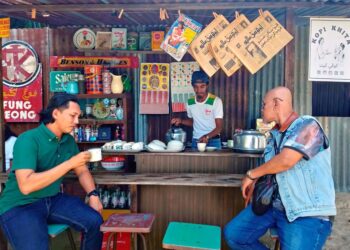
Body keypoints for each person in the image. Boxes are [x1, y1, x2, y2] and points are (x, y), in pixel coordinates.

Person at [224, 86, 336, 249]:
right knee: (234, 235)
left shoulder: (308, 124)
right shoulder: (273, 137)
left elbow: (286, 160)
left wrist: (252, 175)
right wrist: (257, 184)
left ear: (276, 104)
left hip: (305, 212)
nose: (261, 109)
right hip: (275, 206)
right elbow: (272, 170)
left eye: (264, 105)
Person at [0, 93, 103, 250]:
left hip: (52, 199)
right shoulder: (28, 139)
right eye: (72, 116)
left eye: (78, 117)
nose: (77, 122)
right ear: (56, 113)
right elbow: (26, 186)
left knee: (94, 221)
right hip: (20, 205)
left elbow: (82, 170)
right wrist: (69, 163)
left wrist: (93, 194)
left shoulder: (68, 140)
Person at [171, 70, 223, 149]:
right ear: (192, 86)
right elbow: (193, 122)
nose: (199, 90)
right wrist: (181, 121)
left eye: (202, 86)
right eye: (196, 87)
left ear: (207, 85)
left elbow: (219, 127)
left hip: (213, 141)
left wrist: (207, 137)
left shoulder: (216, 101)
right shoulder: (190, 102)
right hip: (196, 141)